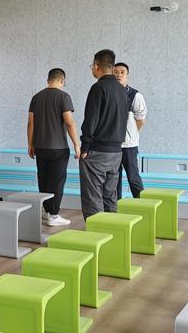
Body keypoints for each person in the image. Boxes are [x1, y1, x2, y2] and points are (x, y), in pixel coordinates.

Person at [78, 49, 129, 219]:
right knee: (110, 196)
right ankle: (112, 232)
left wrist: (85, 147)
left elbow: (91, 120)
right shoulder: (122, 90)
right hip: (116, 152)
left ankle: (96, 233)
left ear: (97, 66)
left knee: (93, 197)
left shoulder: (98, 88)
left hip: (97, 152)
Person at [27, 68, 80, 227]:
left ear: (48, 80)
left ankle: (46, 212)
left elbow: (30, 123)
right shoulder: (64, 97)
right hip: (58, 148)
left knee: (44, 180)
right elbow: (69, 122)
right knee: (57, 182)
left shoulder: (36, 97)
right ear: (62, 80)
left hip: (40, 147)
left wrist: (30, 144)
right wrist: (76, 144)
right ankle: (54, 215)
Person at [113, 62, 147, 199]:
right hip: (112, 145)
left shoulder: (135, 95)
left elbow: (141, 120)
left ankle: (142, 206)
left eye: (122, 72)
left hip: (129, 146)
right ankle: (115, 207)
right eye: (116, 72)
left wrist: (131, 134)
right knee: (114, 179)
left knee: (133, 177)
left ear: (127, 75)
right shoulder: (108, 93)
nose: (119, 75)